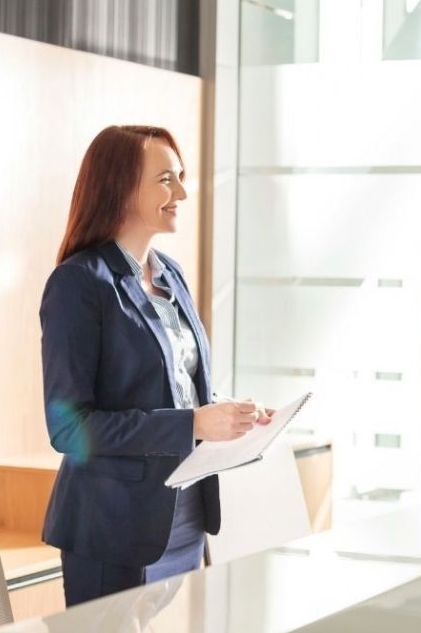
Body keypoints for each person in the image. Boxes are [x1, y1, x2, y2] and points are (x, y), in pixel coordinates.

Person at [40, 125, 271, 606]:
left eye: (181, 177)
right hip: (112, 528)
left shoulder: (171, 273)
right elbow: (70, 429)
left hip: (185, 518)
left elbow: (175, 388)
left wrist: (225, 415)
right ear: (121, 187)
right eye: (166, 179)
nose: (182, 192)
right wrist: (192, 423)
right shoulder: (78, 284)